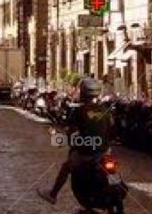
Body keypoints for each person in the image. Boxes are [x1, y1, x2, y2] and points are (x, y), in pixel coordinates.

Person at [38, 76, 112, 204]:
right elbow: (111, 127)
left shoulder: (79, 111)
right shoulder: (104, 109)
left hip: (87, 151)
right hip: (104, 150)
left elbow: (71, 129)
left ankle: (53, 194)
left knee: (66, 167)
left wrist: (59, 137)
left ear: (83, 92)